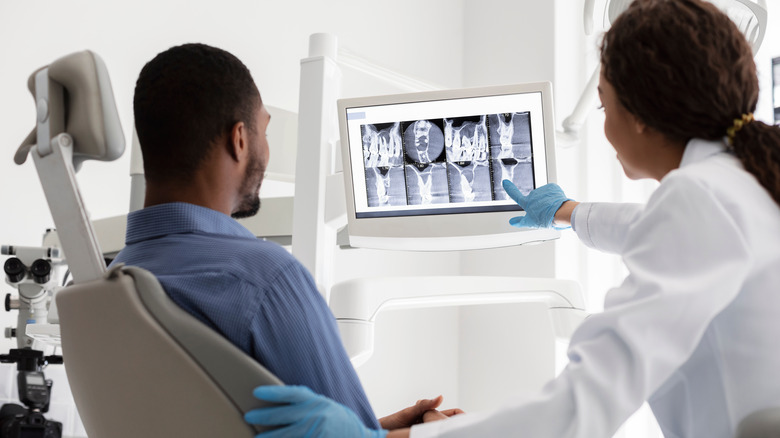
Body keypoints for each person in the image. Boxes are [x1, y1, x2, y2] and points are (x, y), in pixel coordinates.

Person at [243, 0, 780, 436]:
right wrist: (566, 212)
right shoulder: (748, 181)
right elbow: (653, 232)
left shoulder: (700, 200)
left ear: (639, 117)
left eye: (601, 104)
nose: (601, 121)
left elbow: (583, 408)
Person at [112, 43, 457, 435]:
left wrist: (379, 430)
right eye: (265, 130)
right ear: (240, 139)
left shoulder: (112, 283)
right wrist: (440, 433)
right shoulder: (265, 280)